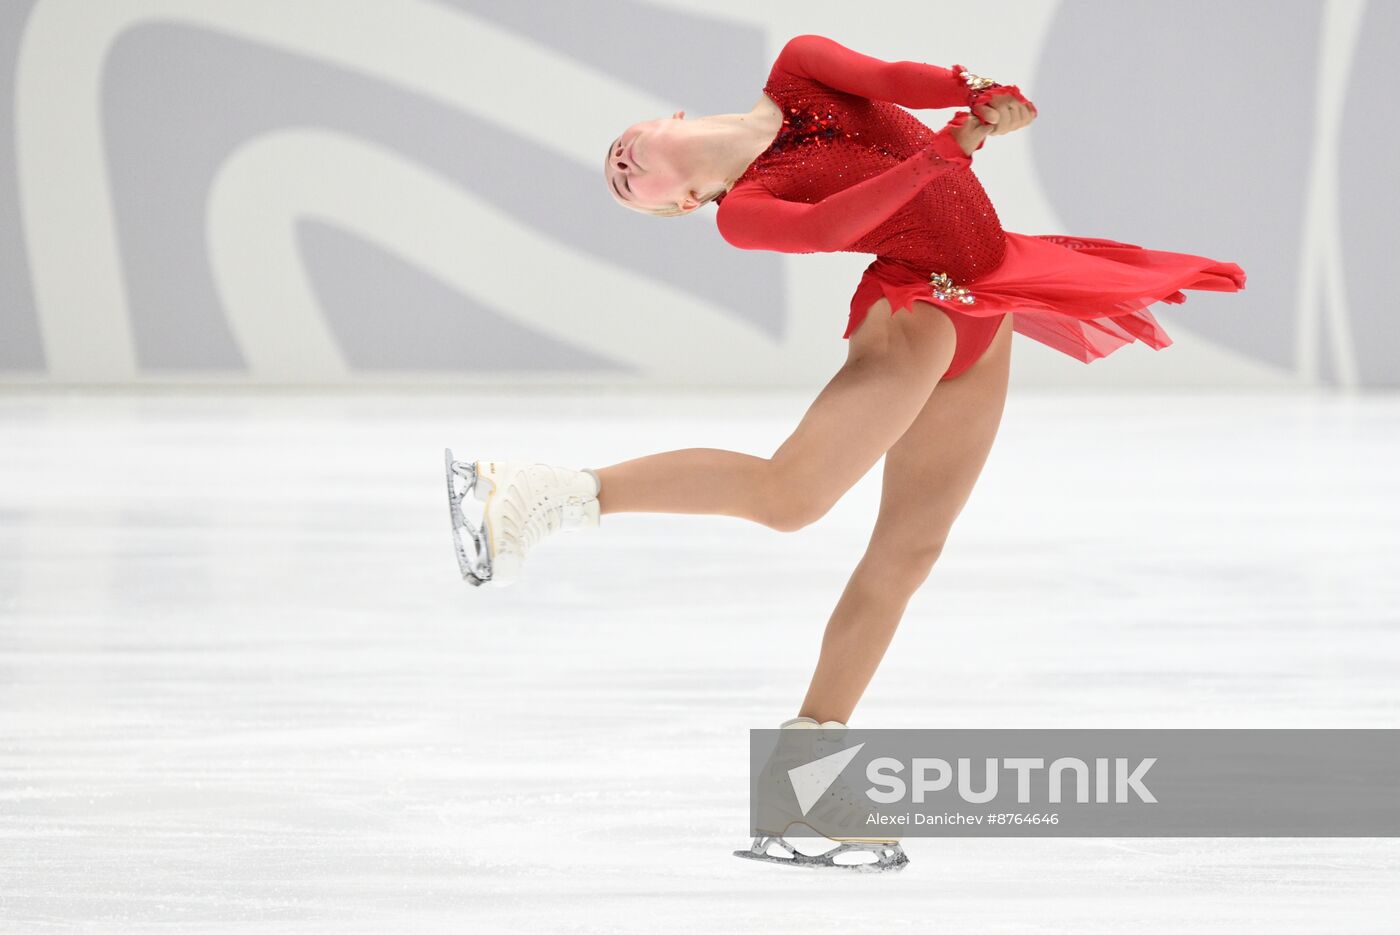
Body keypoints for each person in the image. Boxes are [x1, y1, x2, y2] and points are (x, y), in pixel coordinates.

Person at [445, 33, 1247, 870]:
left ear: (667, 118)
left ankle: (802, 793)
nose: (619, 168)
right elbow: (841, 219)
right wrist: (950, 147)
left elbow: (892, 78)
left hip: (990, 297)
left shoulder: (797, 69)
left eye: (621, 157)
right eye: (627, 189)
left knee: (908, 552)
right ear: (685, 201)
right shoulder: (744, 213)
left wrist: (979, 90)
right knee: (791, 496)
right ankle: (531, 492)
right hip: (915, 308)